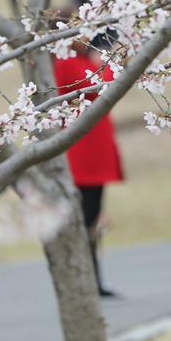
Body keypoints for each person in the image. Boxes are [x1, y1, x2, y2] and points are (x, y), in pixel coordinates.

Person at [53, 34, 124, 297]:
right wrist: (108, 63)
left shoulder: (79, 60)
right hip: (84, 156)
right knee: (86, 221)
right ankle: (87, 280)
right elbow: (102, 85)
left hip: (93, 154)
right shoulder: (67, 63)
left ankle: (93, 279)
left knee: (91, 221)